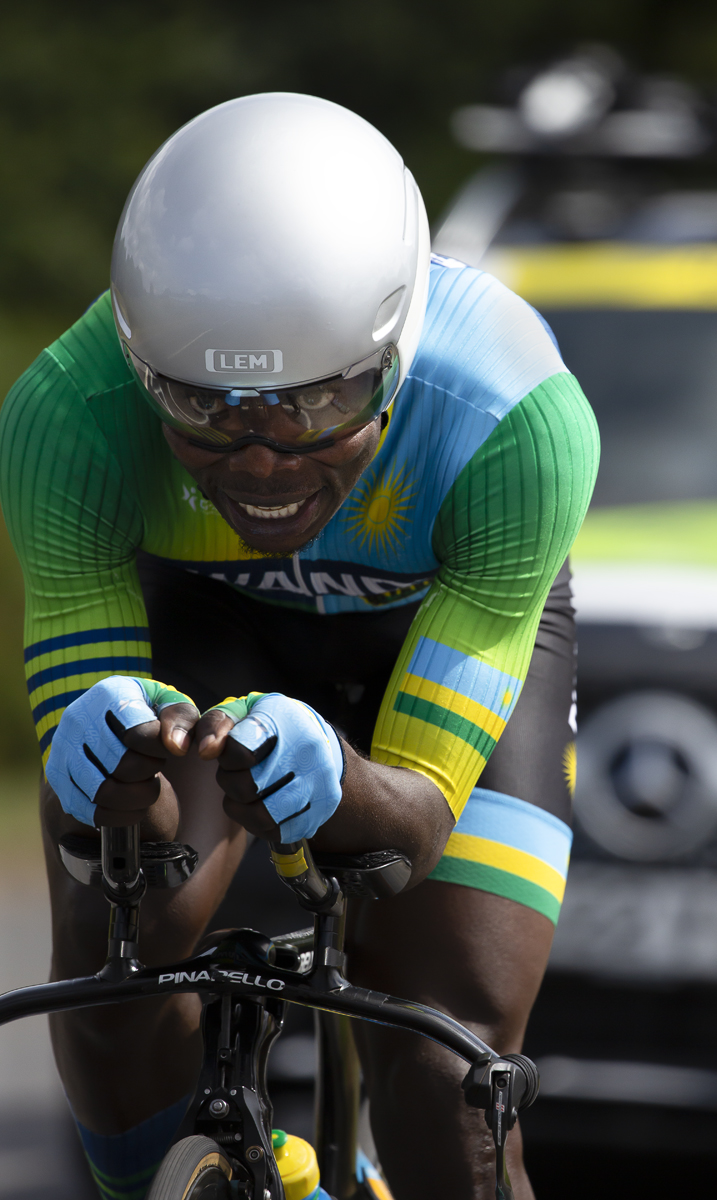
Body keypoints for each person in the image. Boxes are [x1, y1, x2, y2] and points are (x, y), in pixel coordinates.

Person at [0, 92, 598, 1200]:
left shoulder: (512, 420)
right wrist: (104, 778)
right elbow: (110, 827)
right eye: (201, 408)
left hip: (424, 631)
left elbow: (411, 828)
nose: (261, 461)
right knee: (110, 952)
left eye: (318, 403)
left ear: (397, 348)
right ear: (139, 368)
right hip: (204, 631)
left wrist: (348, 778)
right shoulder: (66, 417)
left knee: (444, 1060)